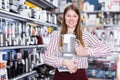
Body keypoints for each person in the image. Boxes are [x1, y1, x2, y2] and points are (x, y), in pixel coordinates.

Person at [43, 4, 111, 80]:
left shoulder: (86, 35)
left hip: (80, 76)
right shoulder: (56, 35)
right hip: (60, 76)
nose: (71, 19)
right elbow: (47, 57)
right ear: (64, 18)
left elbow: (107, 49)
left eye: (74, 16)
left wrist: (87, 51)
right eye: (68, 16)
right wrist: (63, 61)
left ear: (78, 18)